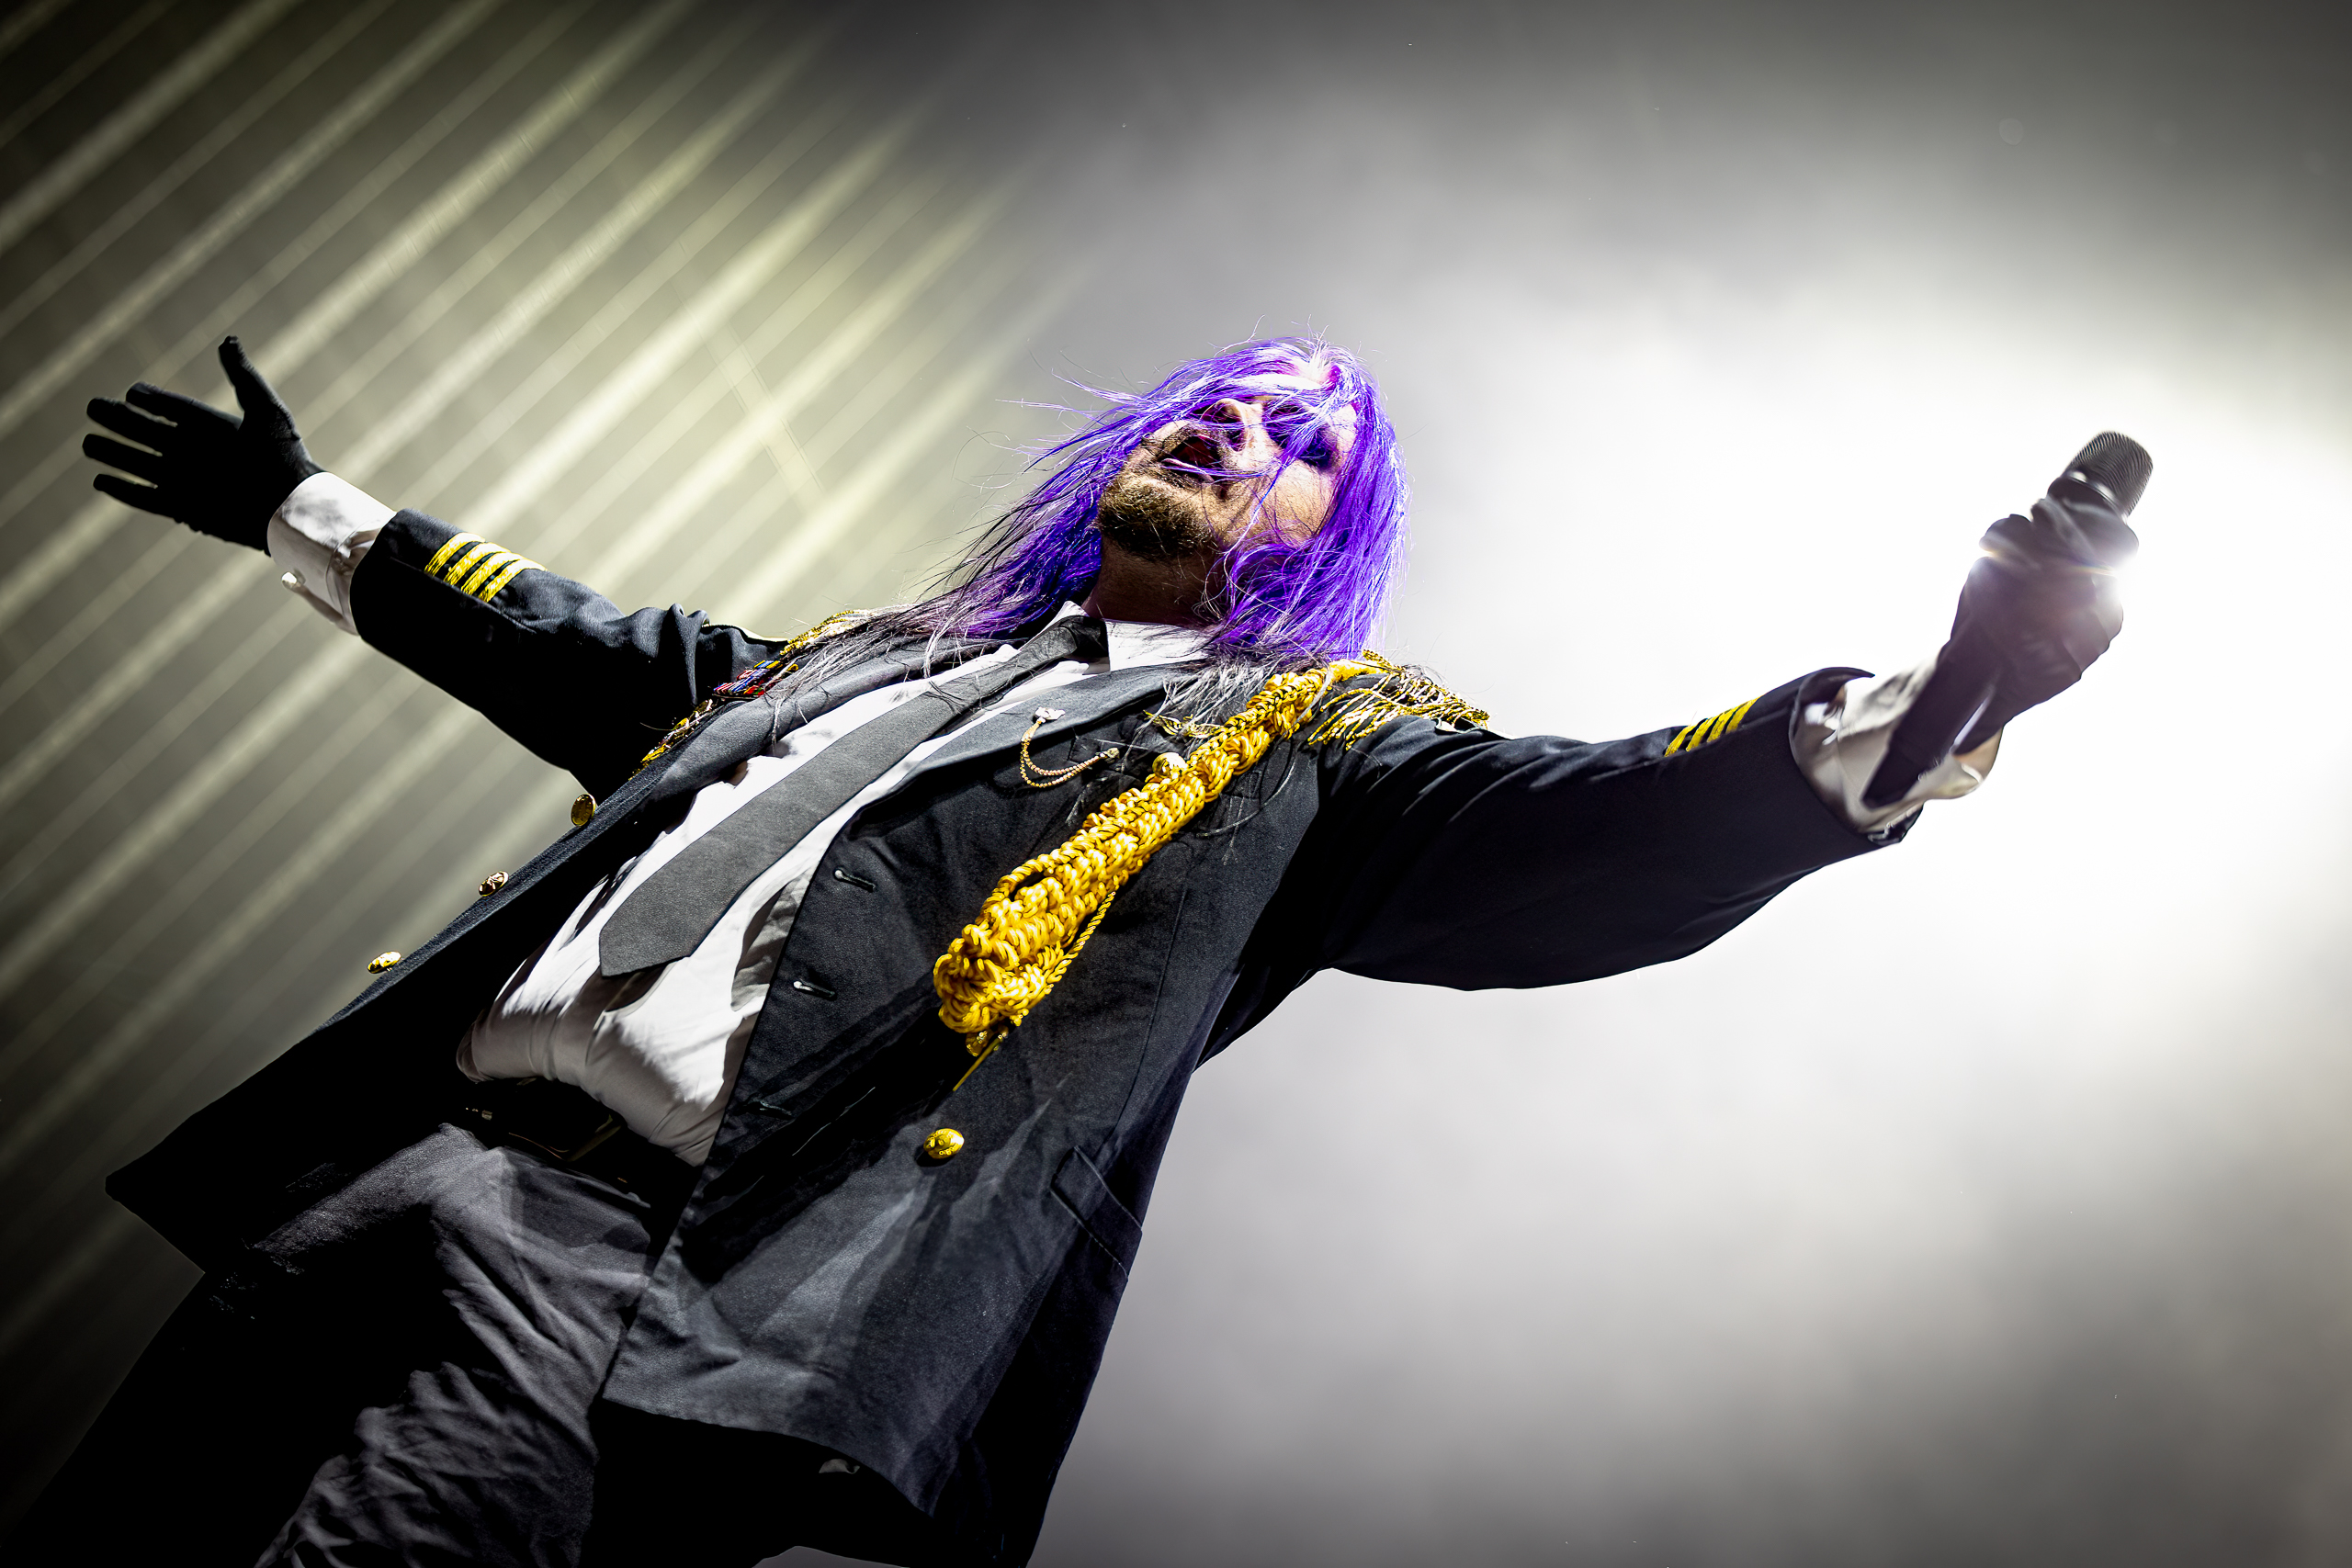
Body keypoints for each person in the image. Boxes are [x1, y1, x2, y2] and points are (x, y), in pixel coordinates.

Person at [21, 333, 2138, 1566]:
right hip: (413, 1172)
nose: (1237, 429)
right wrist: (304, 503)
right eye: (1222, 397)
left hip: (645, 1292)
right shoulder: (857, 663)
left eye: (1300, 444)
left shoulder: (1306, 753)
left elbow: (1590, 824)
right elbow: (568, 636)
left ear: (1324, 539)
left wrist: (1939, 695)